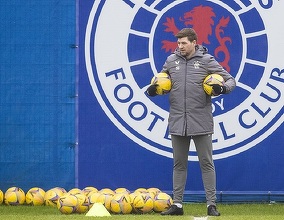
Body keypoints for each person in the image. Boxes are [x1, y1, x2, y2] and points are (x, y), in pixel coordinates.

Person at [147, 28, 236, 216]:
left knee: (206, 163)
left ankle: (211, 205)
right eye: (178, 43)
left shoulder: (206, 60)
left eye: (184, 43)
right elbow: (161, 81)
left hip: (201, 121)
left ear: (194, 42)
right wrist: (153, 90)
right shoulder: (171, 61)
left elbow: (230, 80)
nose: (180, 47)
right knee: (179, 164)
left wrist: (222, 89)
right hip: (178, 120)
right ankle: (177, 205)